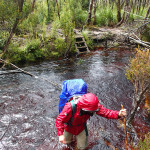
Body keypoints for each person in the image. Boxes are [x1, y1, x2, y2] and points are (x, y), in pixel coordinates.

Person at [55, 93, 127, 150]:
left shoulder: (94, 106)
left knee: (82, 147)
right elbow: (59, 120)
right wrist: (61, 135)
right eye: (91, 111)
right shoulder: (70, 107)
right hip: (69, 127)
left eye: (94, 111)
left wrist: (118, 114)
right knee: (66, 143)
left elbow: (106, 112)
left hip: (81, 127)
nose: (93, 113)